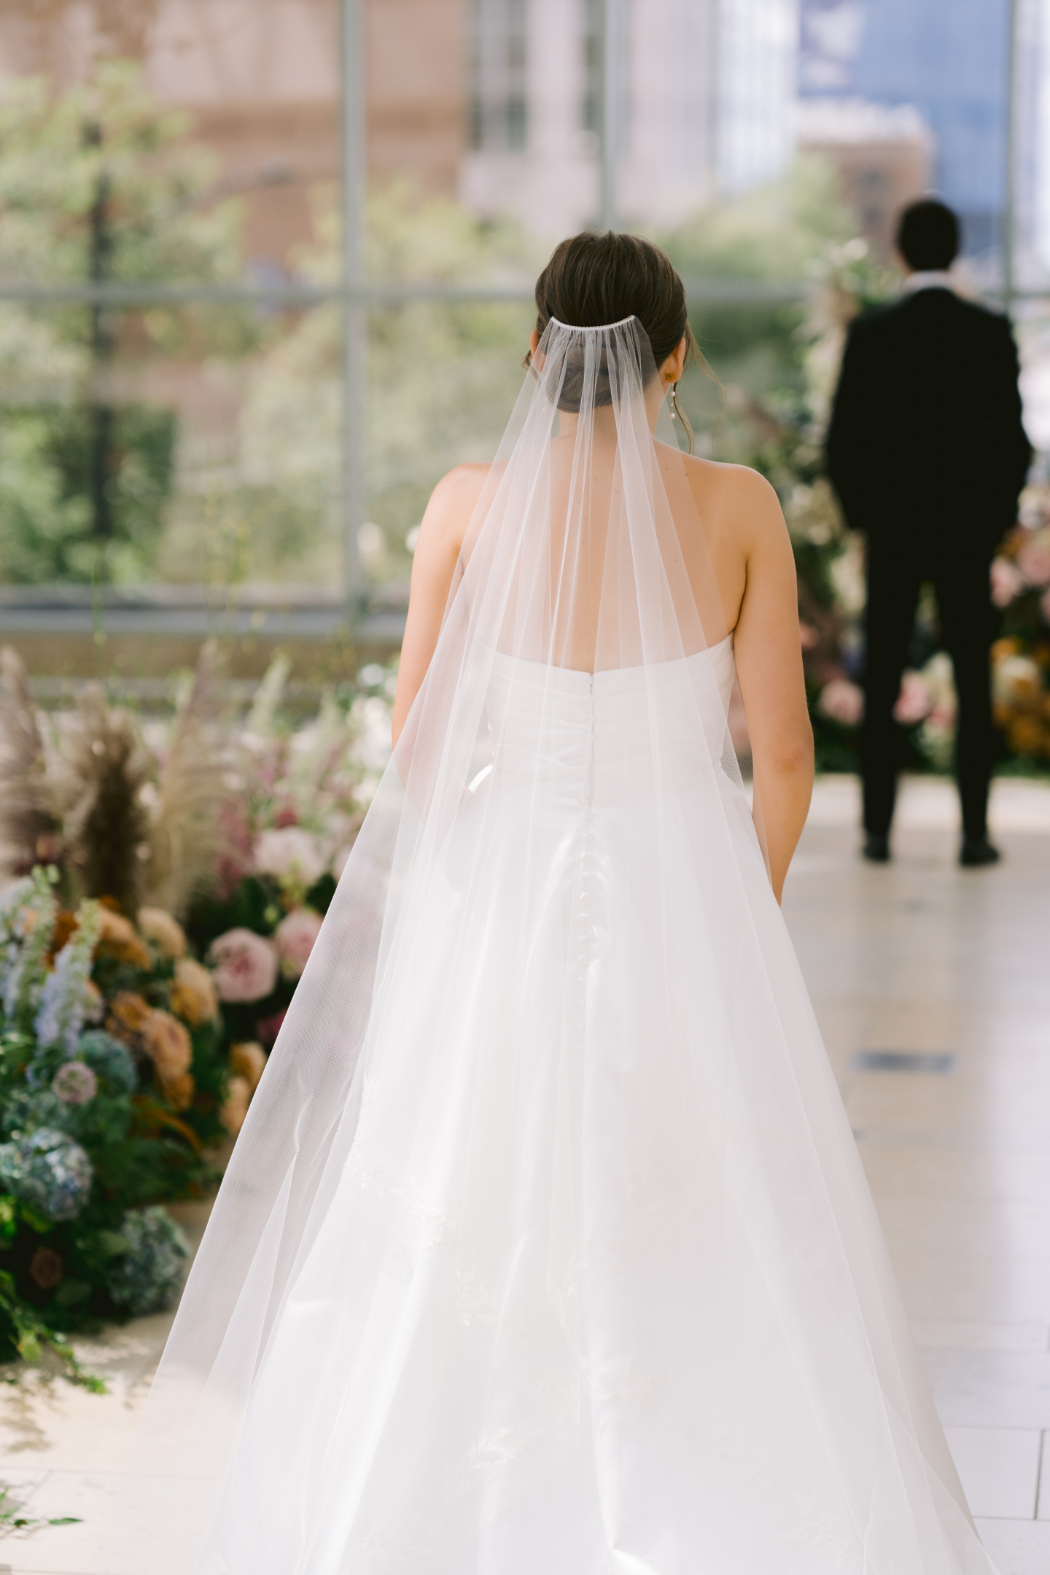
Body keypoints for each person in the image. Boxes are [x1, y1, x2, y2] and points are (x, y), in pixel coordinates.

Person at [114, 234, 996, 1574]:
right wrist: (728, 925)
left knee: (468, 1184)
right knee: (706, 1199)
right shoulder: (739, 505)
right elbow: (788, 757)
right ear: (676, 356)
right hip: (681, 887)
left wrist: (488, 849)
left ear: (536, 351)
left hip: (505, 882)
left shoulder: (468, 503)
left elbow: (413, 748)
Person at [827, 197, 1031, 866]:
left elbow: (842, 443)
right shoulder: (990, 330)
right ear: (954, 251)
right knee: (973, 678)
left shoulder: (872, 333)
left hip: (892, 533)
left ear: (902, 251)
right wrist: (995, 523)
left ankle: (877, 830)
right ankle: (974, 834)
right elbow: (1014, 446)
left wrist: (864, 522)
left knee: (881, 676)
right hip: (966, 535)